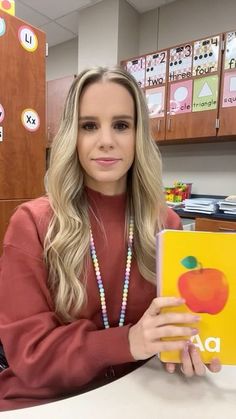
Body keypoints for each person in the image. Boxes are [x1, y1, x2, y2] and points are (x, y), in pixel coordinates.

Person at [0, 66, 221, 411]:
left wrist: (189, 348)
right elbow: (30, 356)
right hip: (46, 400)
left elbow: (176, 326)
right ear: (72, 135)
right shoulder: (33, 223)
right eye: (89, 126)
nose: (106, 140)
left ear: (139, 135)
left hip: (139, 392)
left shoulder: (166, 224)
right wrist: (129, 341)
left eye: (121, 125)